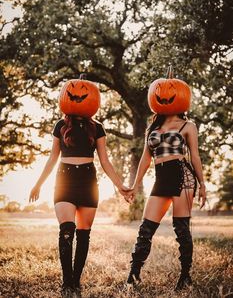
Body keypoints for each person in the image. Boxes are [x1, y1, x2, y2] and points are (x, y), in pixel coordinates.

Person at [29, 114, 130, 297]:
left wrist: (120, 185)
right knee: (67, 230)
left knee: (83, 234)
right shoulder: (61, 124)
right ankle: (67, 281)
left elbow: (105, 161)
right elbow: (53, 157)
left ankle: (76, 280)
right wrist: (38, 184)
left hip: (88, 181)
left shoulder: (97, 127)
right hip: (64, 180)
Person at [126, 113, 207, 291]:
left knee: (181, 228)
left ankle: (185, 276)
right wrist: (135, 185)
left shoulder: (188, 126)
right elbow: (145, 159)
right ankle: (133, 274)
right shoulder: (153, 127)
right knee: (145, 229)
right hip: (160, 179)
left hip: (183, 177)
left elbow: (195, 156)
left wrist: (202, 185)